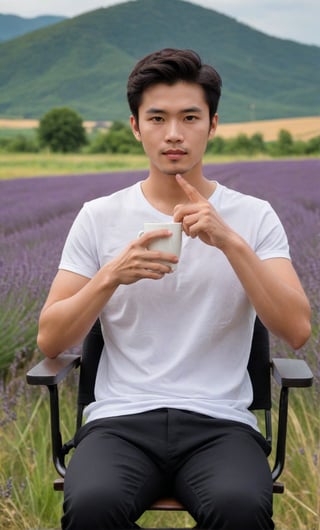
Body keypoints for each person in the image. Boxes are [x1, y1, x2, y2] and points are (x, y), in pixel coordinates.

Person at [37, 48, 311, 530]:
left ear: (213, 124)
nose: (174, 134)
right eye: (157, 118)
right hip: (120, 421)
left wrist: (229, 242)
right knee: (91, 507)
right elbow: (51, 341)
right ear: (136, 127)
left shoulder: (254, 216)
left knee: (241, 509)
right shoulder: (98, 217)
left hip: (221, 423)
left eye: (190, 117)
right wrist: (111, 275)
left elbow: (297, 330)